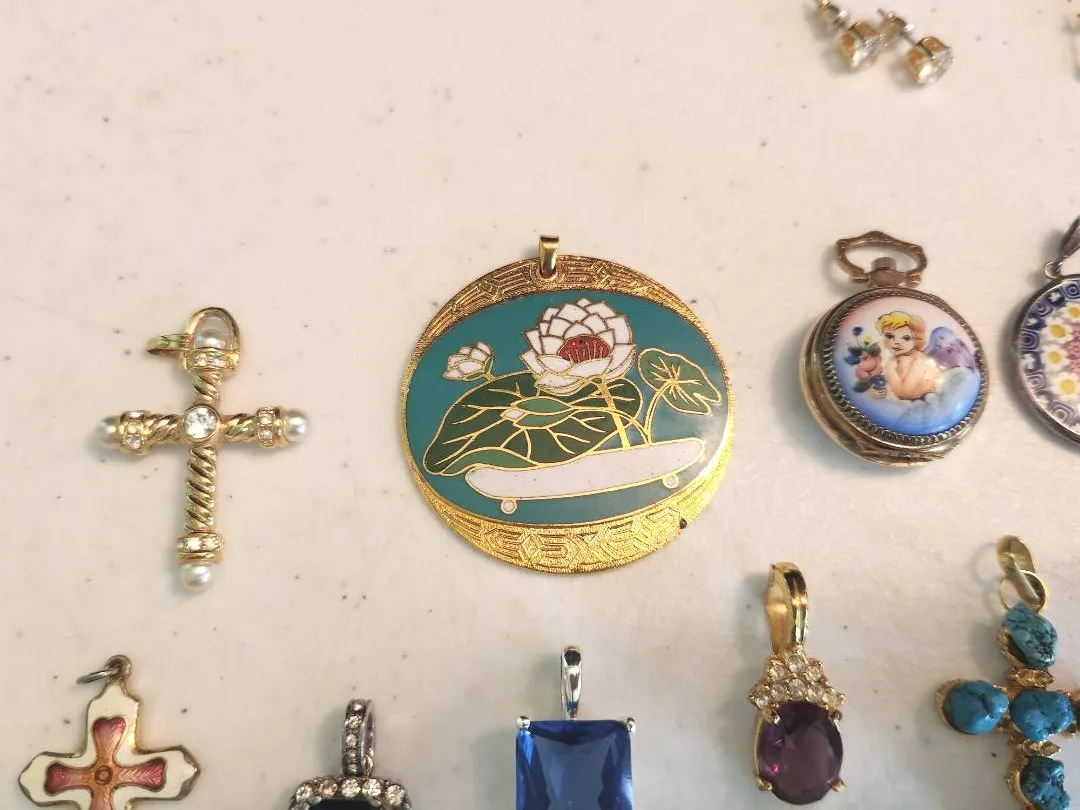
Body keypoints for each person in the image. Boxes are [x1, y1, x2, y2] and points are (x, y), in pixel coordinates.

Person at [875, 311, 940, 400]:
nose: (897, 342)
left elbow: (906, 391)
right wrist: (879, 391)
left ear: (917, 339)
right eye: (890, 336)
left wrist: (889, 391)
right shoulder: (892, 361)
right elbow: (894, 386)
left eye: (906, 338)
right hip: (903, 399)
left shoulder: (920, 359)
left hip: (923, 398)